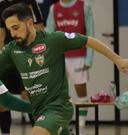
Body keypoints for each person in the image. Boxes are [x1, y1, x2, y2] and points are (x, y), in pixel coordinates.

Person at [0, 3, 128, 135]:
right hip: (38, 109)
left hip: (58, 108)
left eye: (16, 28)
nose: (13, 34)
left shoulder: (54, 40)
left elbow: (88, 40)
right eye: (9, 29)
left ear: (29, 22)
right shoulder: (12, 49)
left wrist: (118, 59)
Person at [46, 0, 94, 134]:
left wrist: (89, 57)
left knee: (80, 89)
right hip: (59, 56)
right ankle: (62, 124)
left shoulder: (84, 6)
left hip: (79, 55)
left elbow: (90, 33)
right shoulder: (53, 8)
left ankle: (82, 124)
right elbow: (49, 33)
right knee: (58, 91)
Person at [0, 0, 44, 134]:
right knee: (1, 100)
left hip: (27, 58)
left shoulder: (30, 2)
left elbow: (40, 29)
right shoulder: (2, 5)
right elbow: (2, 35)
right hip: (9, 59)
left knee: (28, 96)